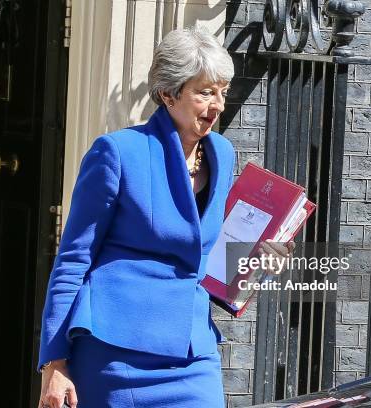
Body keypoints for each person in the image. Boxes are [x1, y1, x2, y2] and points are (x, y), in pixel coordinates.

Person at [37, 27, 294, 408]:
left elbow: (204, 257)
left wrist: (258, 260)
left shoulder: (222, 154)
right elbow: (74, 258)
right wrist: (54, 363)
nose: (218, 104)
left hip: (192, 351)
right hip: (118, 350)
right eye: (204, 92)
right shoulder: (118, 152)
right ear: (168, 94)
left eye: (222, 91)